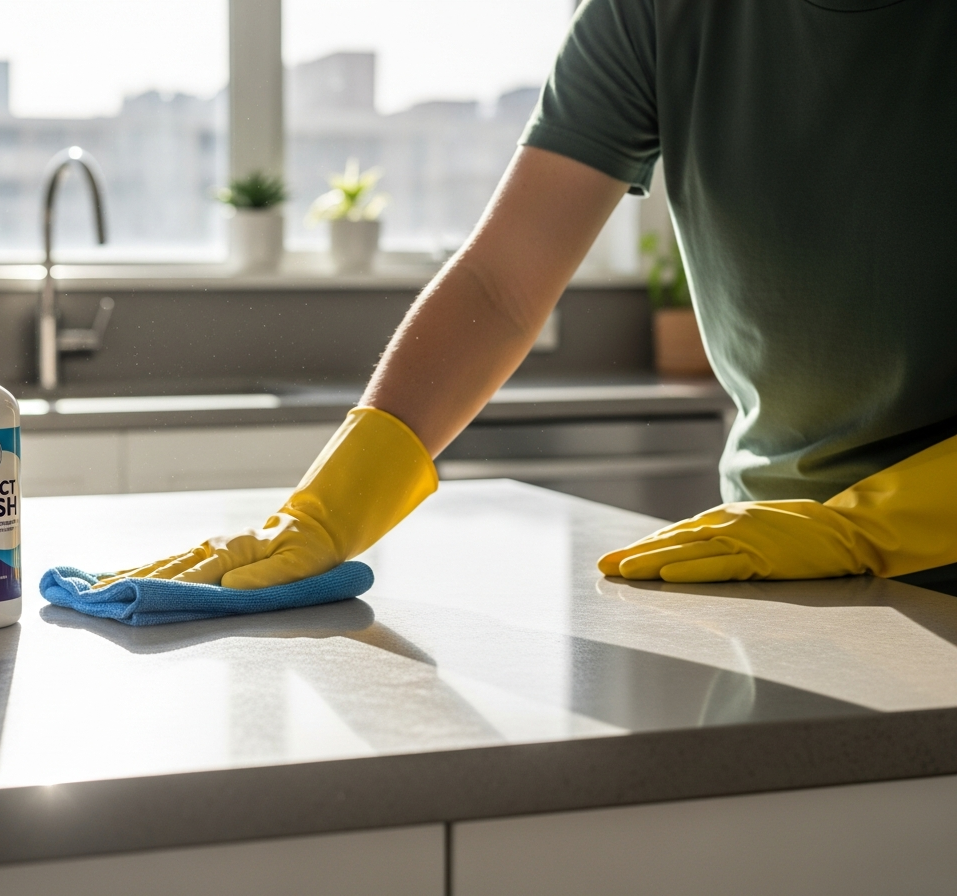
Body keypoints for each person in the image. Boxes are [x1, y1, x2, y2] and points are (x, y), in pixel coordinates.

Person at [106, 0, 957, 592]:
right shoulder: (653, 13)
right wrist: (328, 510)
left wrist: (876, 523)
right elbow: (502, 282)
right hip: (767, 558)